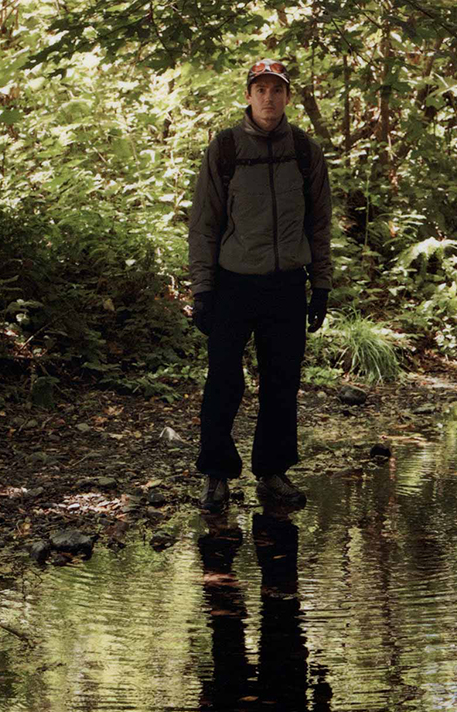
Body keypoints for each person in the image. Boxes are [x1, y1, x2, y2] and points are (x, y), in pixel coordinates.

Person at [188, 58, 332, 511]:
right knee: (223, 381)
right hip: (232, 284)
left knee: (282, 382)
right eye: (261, 89)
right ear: (248, 96)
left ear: (287, 97)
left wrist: (321, 286)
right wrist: (202, 290)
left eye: (277, 90)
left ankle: (272, 472)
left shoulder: (305, 151)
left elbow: (320, 225)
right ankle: (216, 475)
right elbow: (203, 225)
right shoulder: (226, 148)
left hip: (287, 285)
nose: (269, 98)